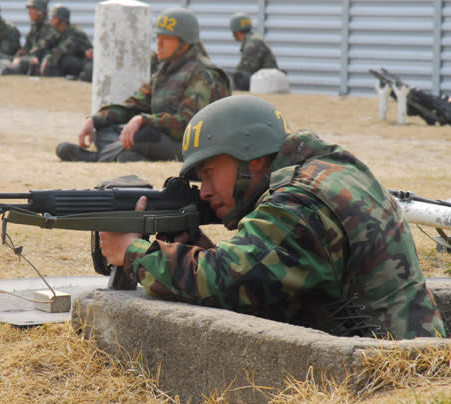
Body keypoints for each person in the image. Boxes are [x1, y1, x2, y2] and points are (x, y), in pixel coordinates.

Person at [99, 95, 446, 340]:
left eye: (209, 172)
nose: (203, 190)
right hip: (396, 346)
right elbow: (269, 276)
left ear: (251, 158)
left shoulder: (299, 203)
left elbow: (225, 279)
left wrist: (133, 253)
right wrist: (201, 250)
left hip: (393, 370)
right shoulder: (326, 169)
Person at [55, 7, 231, 163]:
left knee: (143, 134)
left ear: (184, 42)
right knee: (106, 130)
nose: (159, 44)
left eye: (166, 38)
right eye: (158, 37)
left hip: (193, 149)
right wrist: (94, 119)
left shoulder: (204, 74)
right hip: (161, 140)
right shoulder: (166, 70)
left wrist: (143, 120)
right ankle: (124, 156)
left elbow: (187, 126)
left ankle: (96, 158)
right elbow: (133, 105)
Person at [0, 0, 56, 76]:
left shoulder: (49, 27)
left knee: (19, 64)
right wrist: (19, 55)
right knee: (1, 59)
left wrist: (22, 58)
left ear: (41, 11)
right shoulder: (35, 27)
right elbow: (26, 47)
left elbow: (40, 48)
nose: (29, 12)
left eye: (32, 9)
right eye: (29, 9)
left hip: (43, 62)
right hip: (32, 59)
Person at [38, 4, 93, 78]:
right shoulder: (56, 32)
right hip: (70, 62)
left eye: (54, 17)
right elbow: (45, 45)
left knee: (62, 60)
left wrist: (48, 58)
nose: (51, 20)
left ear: (62, 21)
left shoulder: (75, 32)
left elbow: (62, 49)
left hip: (82, 63)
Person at [230, 12, 279, 91]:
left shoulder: (252, 44)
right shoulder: (253, 40)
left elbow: (246, 69)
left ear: (236, 32)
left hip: (267, 82)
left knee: (239, 77)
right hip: (268, 80)